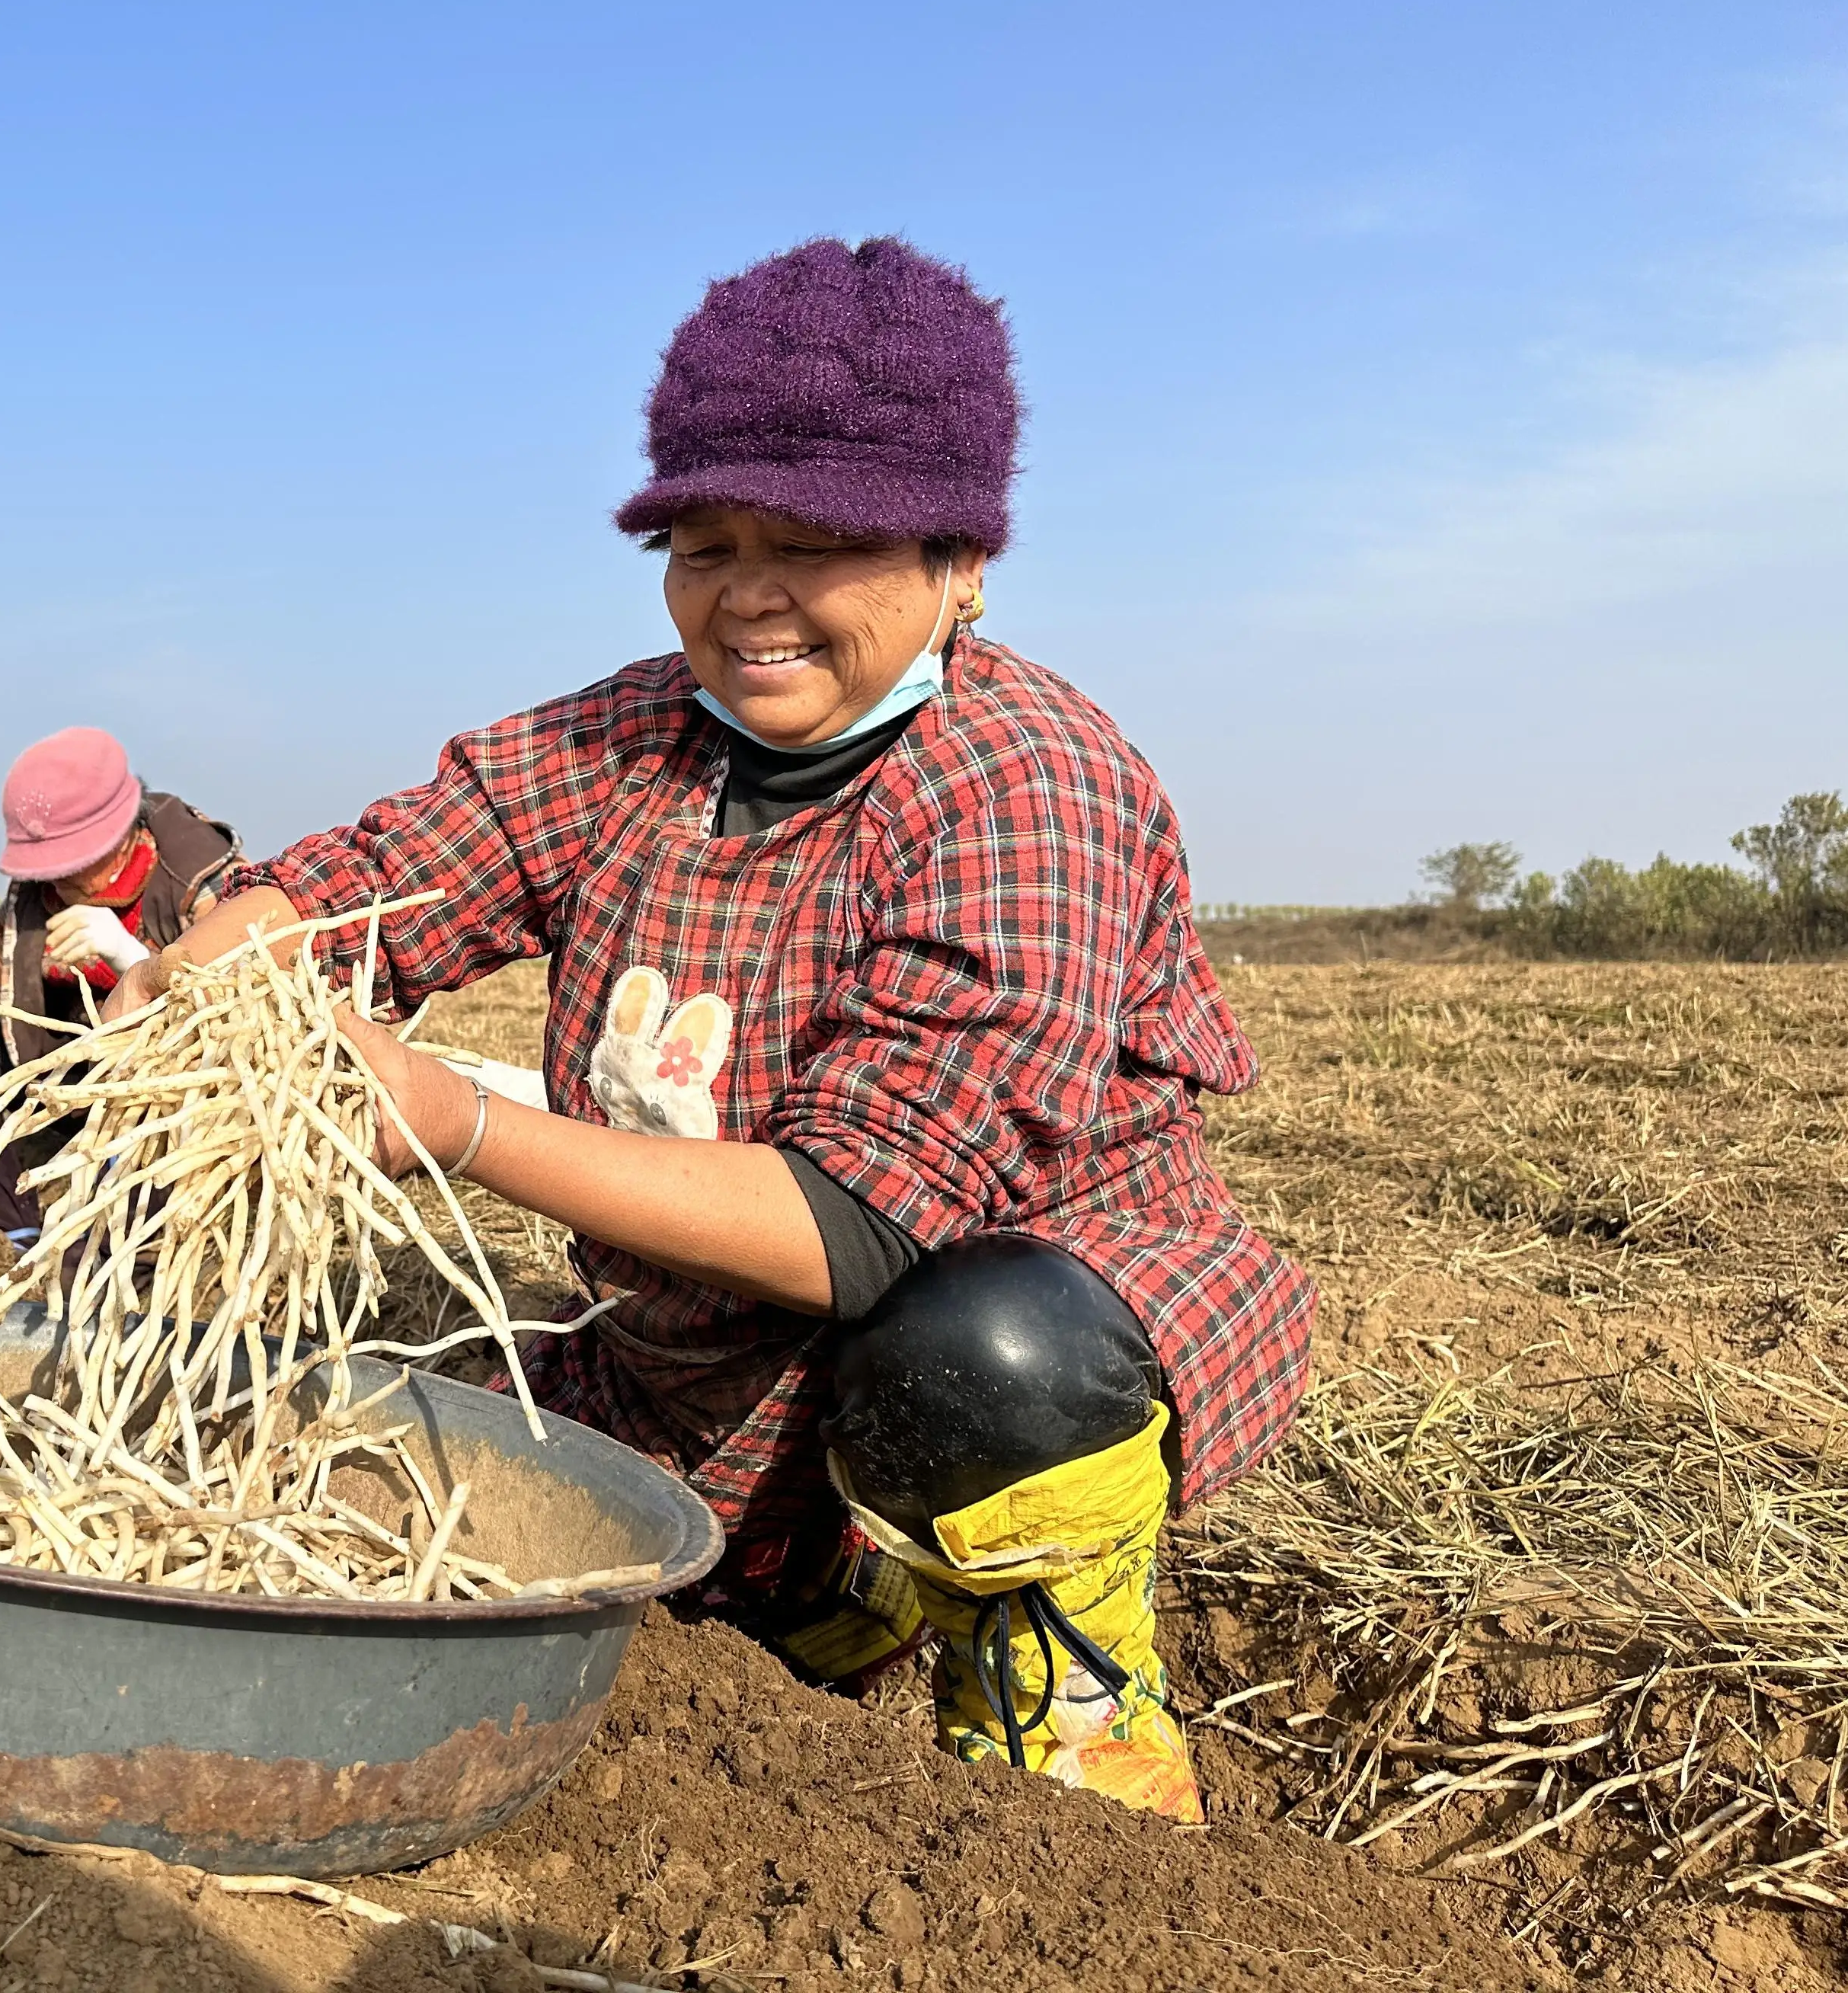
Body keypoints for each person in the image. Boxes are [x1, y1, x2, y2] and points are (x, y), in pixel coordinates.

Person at [107, 238, 1311, 1822]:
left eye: (816, 545)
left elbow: (863, 1226)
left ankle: (1066, 1727)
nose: (747, 595)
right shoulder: (629, 740)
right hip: (692, 1356)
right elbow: (386, 876)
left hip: (996, 1337)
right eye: (703, 541)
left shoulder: (1024, 783)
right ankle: (810, 1601)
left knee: (981, 1359)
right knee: (393, 1476)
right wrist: (228, 956)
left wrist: (457, 1127)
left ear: (962, 560)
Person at [0, 728, 238, 1246]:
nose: (57, 882)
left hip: (166, 1089)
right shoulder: (37, 892)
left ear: (124, 836)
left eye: (71, 864)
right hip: (72, 1072)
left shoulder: (202, 879)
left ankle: (121, 1250)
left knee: (131, 1182)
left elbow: (239, 1001)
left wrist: (132, 959)